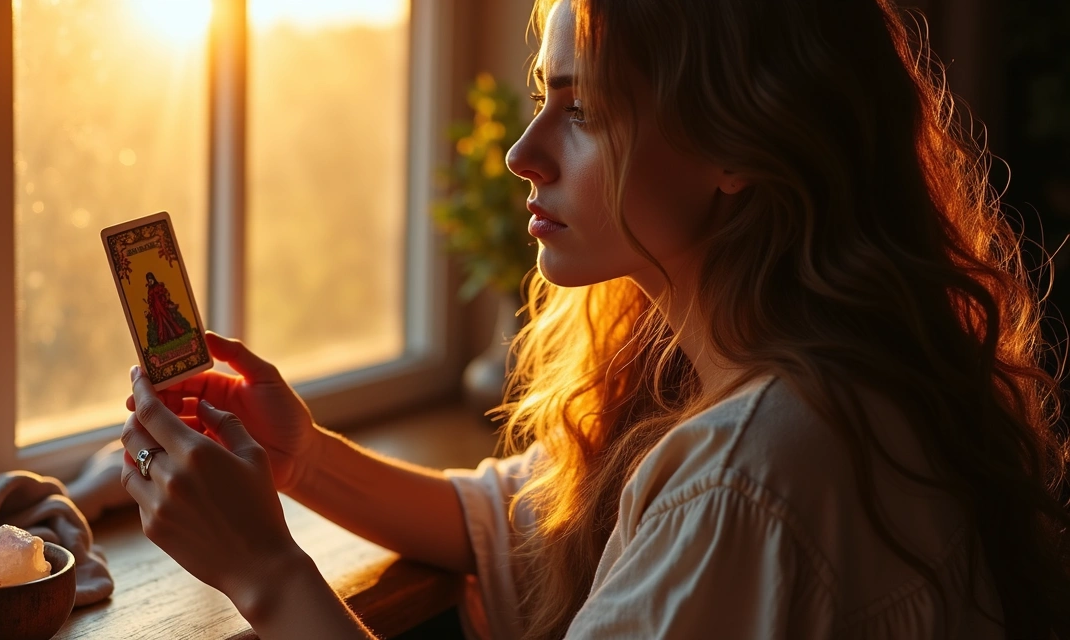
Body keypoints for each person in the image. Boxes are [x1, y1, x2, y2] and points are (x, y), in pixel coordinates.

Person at [118, 0, 1070, 637]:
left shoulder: (754, 471)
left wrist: (265, 574)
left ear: (741, 140)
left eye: (588, 108)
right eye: (544, 96)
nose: (524, 154)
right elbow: (513, 522)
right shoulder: (769, 370)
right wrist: (307, 460)